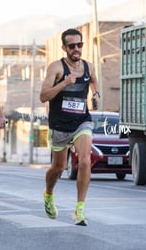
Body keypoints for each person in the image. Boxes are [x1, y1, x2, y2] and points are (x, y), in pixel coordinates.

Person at [39, 28, 100, 226]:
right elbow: (43, 96)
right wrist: (64, 83)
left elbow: (94, 81)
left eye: (79, 45)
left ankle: (79, 209)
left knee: (84, 161)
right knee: (58, 167)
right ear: (64, 48)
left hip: (81, 121)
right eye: (72, 46)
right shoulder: (56, 68)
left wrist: (96, 95)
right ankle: (48, 194)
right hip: (59, 124)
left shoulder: (88, 67)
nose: (76, 49)